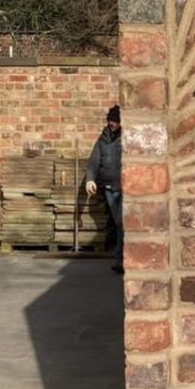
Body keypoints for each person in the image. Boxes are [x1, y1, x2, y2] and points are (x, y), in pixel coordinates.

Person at [86, 105, 124, 273]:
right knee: (118, 223)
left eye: (115, 121)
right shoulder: (102, 139)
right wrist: (90, 180)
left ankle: (121, 259)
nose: (112, 124)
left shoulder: (126, 138)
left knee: (122, 222)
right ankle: (121, 257)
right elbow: (94, 161)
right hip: (109, 188)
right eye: (110, 120)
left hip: (124, 187)